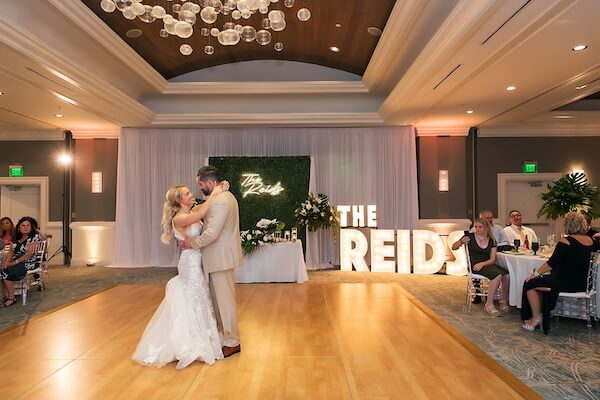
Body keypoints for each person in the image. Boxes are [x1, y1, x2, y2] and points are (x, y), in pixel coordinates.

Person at [132, 182, 228, 369]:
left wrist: (215, 195)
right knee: (194, 298)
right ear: (179, 200)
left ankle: (200, 338)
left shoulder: (188, 214)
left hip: (197, 260)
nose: (192, 195)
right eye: (187, 193)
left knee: (199, 298)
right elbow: (201, 214)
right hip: (190, 263)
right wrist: (215, 193)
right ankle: (191, 343)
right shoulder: (178, 219)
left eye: (190, 192)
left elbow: (201, 214)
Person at [182, 165, 244, 358]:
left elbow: (211, 233)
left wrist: (192, 243)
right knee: (219, 302)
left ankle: (233, 341)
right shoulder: (221, 197)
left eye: (201, 185)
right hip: (219, 258)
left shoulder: (221, 201)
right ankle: (225, 338)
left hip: (220, 258)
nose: (200, 189)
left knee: (225, 302)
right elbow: (202, 209)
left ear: (210, 182)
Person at [520, 212, 600, 332]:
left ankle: (535, 318)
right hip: (584, 284)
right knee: (542, 281)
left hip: (566, 283)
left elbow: (551, 263)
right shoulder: (591, 240)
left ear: (568, 225)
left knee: (529, 283)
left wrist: (534, 274)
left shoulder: (566, 241)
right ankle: (542, 312)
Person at [453, 218, 510, 316]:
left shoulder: (492, 240)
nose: (477, 229)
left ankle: (503, 300)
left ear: (486, 228)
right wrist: (461, 242)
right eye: (476, 227)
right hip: (474, 265)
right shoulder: (469, 236)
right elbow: (453, 247)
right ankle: (489, 304)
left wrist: (482, 264)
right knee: (497, 275)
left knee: (507, 275)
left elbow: (492, 259)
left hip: (486, 264)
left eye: (480, 227)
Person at [1, 217, 43, 307]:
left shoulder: (35, 237)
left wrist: (11, 263)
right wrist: (6, 262)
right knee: (2, 267)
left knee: (5, 271)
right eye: (23, 225)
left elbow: (28, 255)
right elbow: (11, 251)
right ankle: (7, 296)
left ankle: (11, 298)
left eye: (28, 225)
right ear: (19, 228)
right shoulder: (16, 237)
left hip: (28, 262)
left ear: (31, 227)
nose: (25, 227)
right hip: (17, 260)